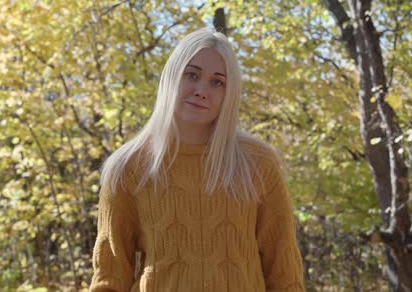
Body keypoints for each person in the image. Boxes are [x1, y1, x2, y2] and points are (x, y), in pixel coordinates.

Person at [89, 28, 305, 291]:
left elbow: (284, 274)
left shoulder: (258, 164)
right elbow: (110, 278)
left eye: (217, 82)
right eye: (191, 75)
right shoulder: (128, 167)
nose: (202, 90)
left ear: (229, 93)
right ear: (171, 78)